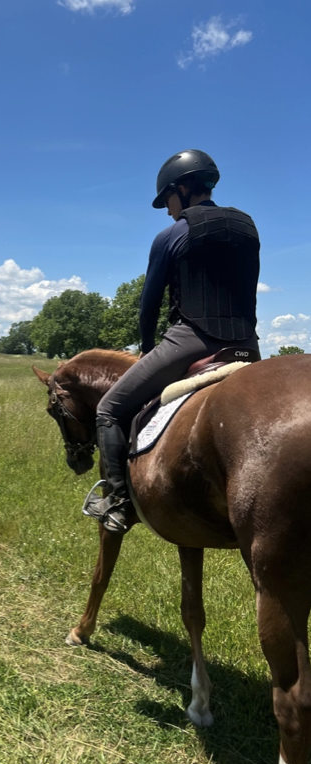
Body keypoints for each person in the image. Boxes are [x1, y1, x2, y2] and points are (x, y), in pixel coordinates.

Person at [84, 149, 261, 533]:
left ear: (181, 188)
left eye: (167, 199)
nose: (167, 210)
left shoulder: (172, 234)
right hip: (249, 344)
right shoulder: (248, 226)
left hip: (192, 339)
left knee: (109, 410)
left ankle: (116, 502)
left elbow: (148, 307)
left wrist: (148, 349)